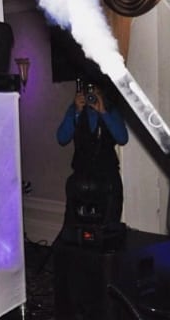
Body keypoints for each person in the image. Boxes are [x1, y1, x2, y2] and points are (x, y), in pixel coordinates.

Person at [56, 77, 128, 227]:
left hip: (108, 176)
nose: (91, 95)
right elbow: (62, 138)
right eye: (88, 91)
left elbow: (122, 138)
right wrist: (75, 112)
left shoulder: (110, 110)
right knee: (76, 225)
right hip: (81, 176)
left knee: (109, 225)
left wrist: (103, 112)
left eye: (95, 91)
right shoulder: (75, 109)